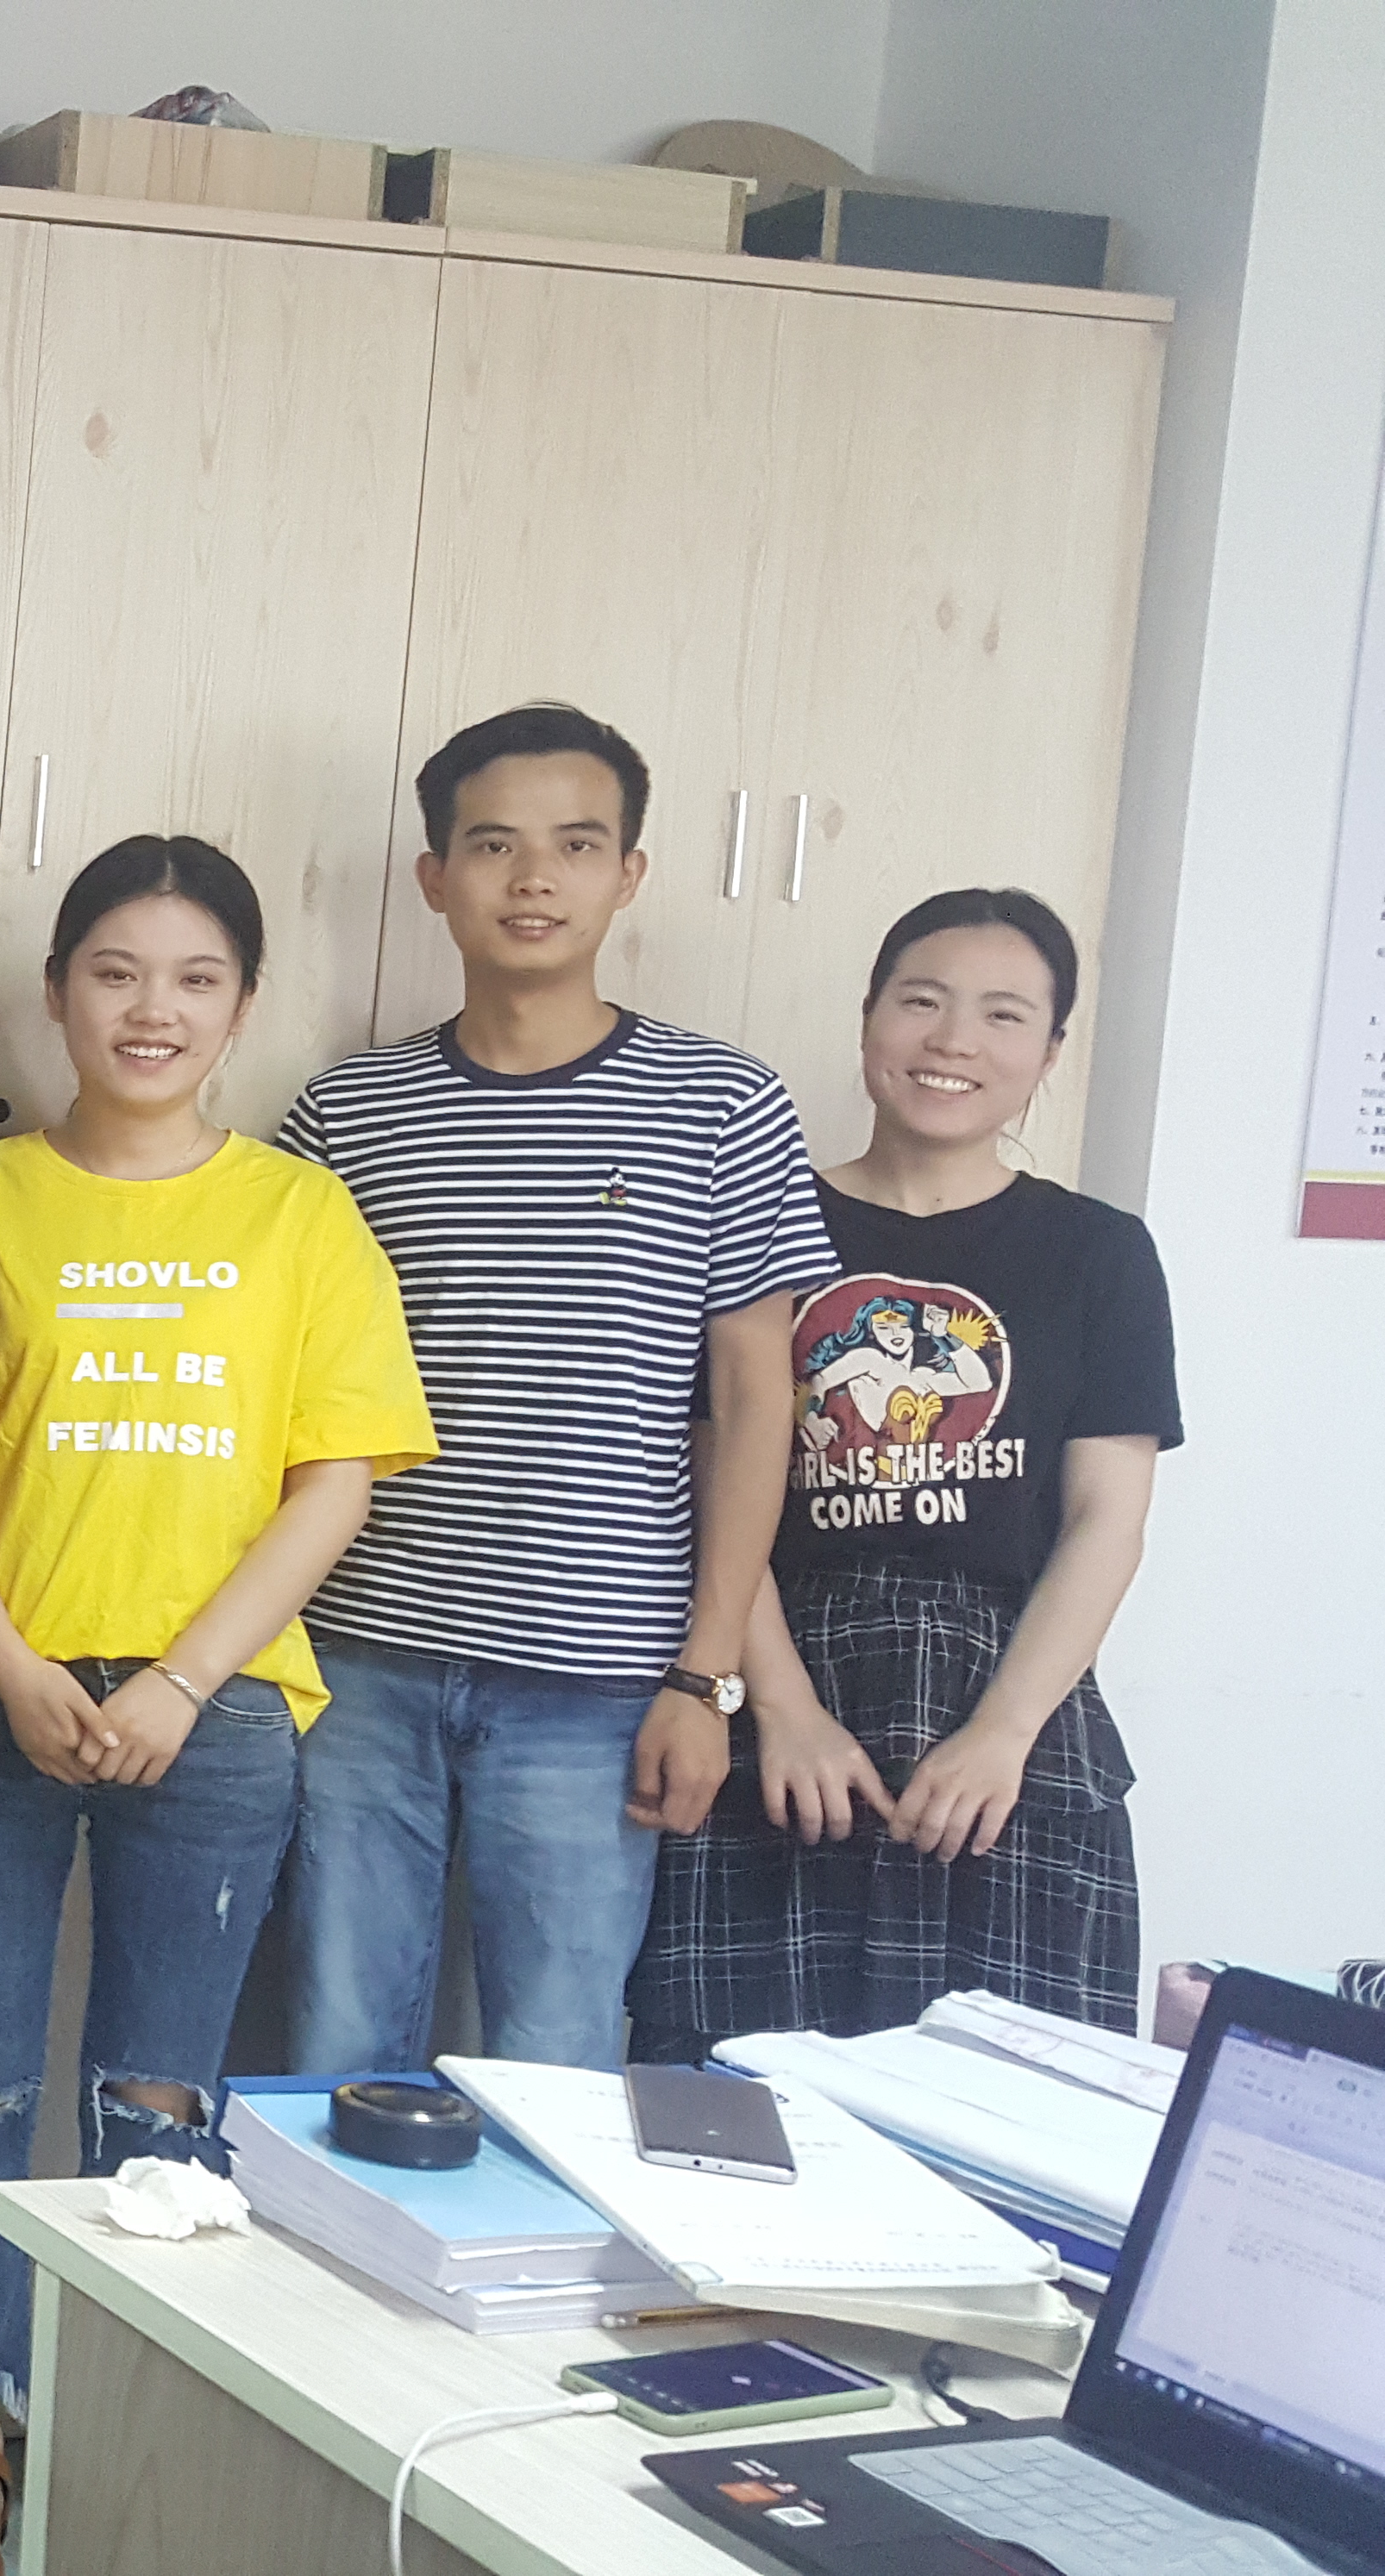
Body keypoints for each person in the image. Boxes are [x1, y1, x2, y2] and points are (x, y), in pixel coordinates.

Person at [0, 838, 434, 2401]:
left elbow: (334, 1484)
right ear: (57, 991)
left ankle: (118, 2454)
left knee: (161, 2113)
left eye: (196, 980)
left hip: (219, 1716)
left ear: (243, 1006)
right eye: (116, 973)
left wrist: (184, 1682)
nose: (152, 1010)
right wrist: (8, 1663)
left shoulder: (300, 1212)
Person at [276, 703, 838, 2075]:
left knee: (555, 2068)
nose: (534, 878)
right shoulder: (347, 1112)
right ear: (434, 877)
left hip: (601, 1686)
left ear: (629, 873)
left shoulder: (724, 1103)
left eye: (577, 845)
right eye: (493, 845)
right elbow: (284, 1395)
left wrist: (707, 1679)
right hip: (363, 1663)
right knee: (337, 2048)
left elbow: (754, 1409)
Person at [634, 891, 1179, 2048]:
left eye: (1003, 1015)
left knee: (1010, 2103)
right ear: (869, 1016)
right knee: (736, 2099)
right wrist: (778, 1708)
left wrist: (1003, 1733)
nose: (954, 1041)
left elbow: (1106, 1520)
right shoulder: (759, 1222)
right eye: (921, 1001)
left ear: (1051, 1052)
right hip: (780, 1682)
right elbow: (708, 1480)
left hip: (1010, 1702)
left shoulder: (1100, 1251)